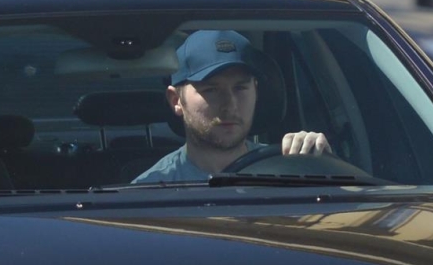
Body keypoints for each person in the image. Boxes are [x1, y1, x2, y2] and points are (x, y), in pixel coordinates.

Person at [133, 30, 331, 184]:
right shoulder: (151, 192)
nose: (230, 105)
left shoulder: (290, 171)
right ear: (176, 100)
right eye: (211, 90)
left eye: (240, 88)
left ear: (256, 91)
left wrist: (320, 165)